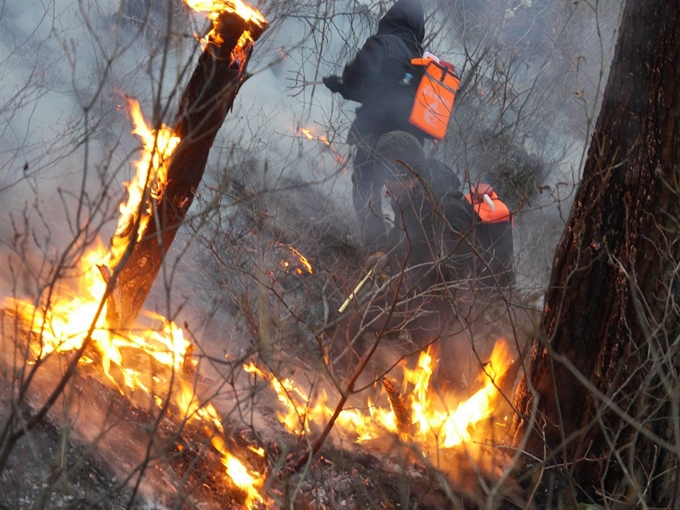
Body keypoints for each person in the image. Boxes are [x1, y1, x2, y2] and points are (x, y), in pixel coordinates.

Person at [323, 0, 427, 249]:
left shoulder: (383, 43)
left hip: (377, 136)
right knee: (401, 198)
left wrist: (342, 84)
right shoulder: (421, 59)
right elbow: (388, 93)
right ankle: (404, 257)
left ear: (393, 17)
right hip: (412, 144)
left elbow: (357, 78)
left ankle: (377, 251)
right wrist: (345, 89)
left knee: (366, 191)